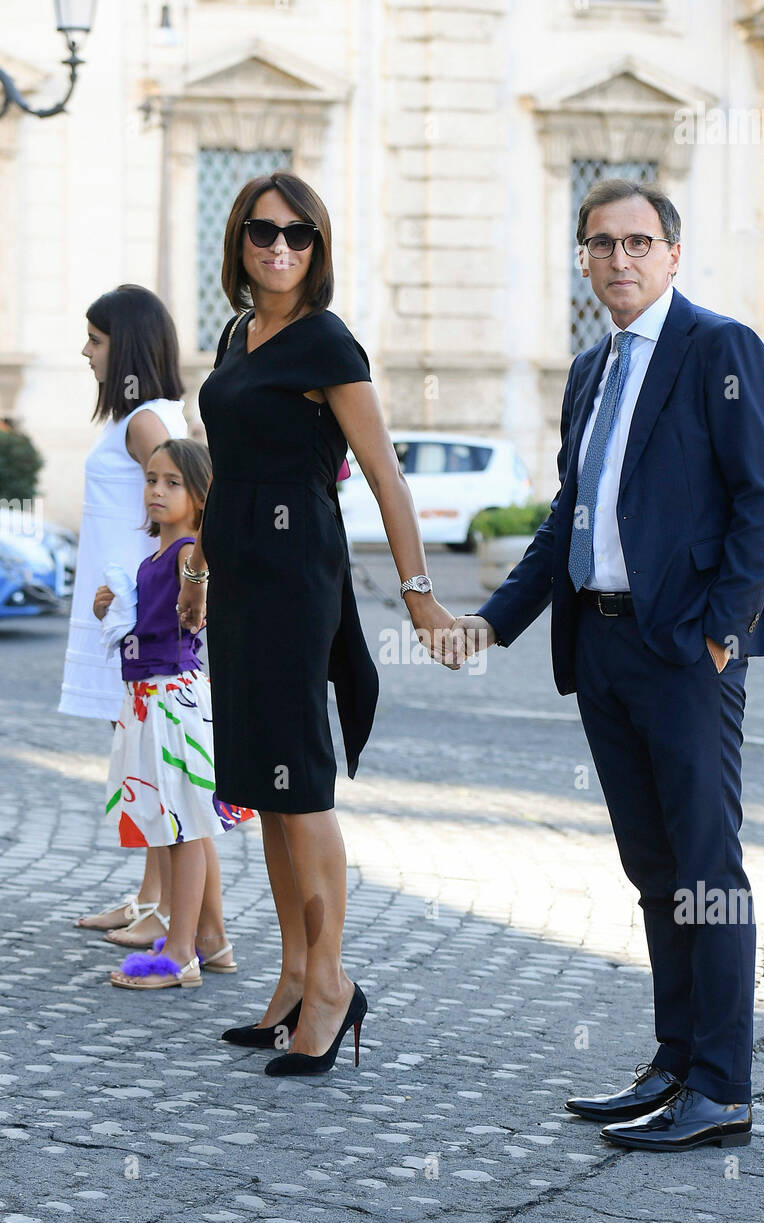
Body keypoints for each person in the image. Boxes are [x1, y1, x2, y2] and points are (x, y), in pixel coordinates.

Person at [451, 178, 764, 1151]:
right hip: (597, 646)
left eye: (638, 243)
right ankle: (672, 1061)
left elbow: (756, 502)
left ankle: (721, 1085)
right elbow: (570, 515)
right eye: (600, 245)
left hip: (681, 650)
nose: (619, 259)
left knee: (705, 867)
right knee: (652, 869)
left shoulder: (717, 349)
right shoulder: (591, 370)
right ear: (584, 259)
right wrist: (493, 623)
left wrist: (719, 634)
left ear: (671, 255)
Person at [178, 171, 458, 1074]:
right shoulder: (237, 333)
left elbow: (385, 475)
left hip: (299, 579)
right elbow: (230, 468)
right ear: (240, 243)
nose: (280, 248)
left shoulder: (327, 341)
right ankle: (295, 974)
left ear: (318, 248)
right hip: (241, 579)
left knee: (302, 788)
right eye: (263, 232)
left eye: (298, 235)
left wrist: (418, 597)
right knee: (263, 786)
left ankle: (333, 981)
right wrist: (199, 564)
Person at [94, 438, 254, 990]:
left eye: (173, 483)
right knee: (190, 824)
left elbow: (197, 601)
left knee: (181, 830)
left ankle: (180, 953)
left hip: (172, 704)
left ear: (201, 497)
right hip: (148, 701)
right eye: (151, 480)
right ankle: (212, 940)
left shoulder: (189, 555)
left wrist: (199, 579)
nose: (157, 491)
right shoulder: (156, 557)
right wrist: (113, 609)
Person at [64, 285, 187, 945]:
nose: (86, 351)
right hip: (130, 613)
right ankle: (149, 897)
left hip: (143, 618)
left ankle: (167, 912)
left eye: (97, 339)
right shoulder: (138, 416)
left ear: (128, 345)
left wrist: (148, 593)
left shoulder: (147, 420)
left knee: (153, 758)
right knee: (139, 753)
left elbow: (188, 501)